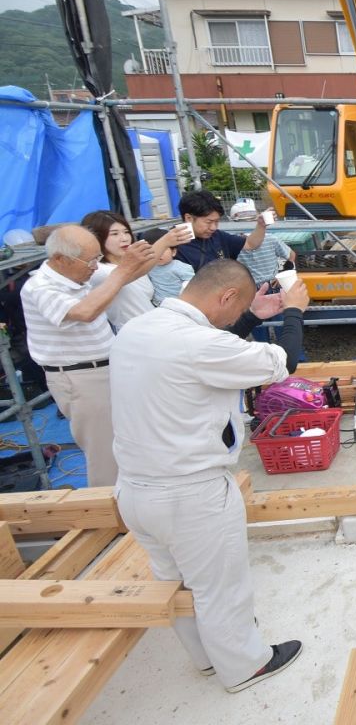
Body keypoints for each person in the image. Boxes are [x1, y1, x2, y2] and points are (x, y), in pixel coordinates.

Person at [110, 259, 310, 693]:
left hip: (135, 490)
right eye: (234, 309)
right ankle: (244, 666)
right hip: (190, 493)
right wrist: (294, 310)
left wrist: (253, 316)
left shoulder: (140, 328)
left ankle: (205, 659)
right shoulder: (198, 345)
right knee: (220, 586)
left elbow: (207, 348)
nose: (231, 319)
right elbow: (284, 362)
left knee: (174, 581)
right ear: (225, 297)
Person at [20, 225, 156, 486]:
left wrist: (145, 255)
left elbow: (123, 276)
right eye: (91, 260)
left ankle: (131, 506)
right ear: (61, 259)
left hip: (104, 368)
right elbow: (85, 311)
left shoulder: (77, 277)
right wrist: (124, 269)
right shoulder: (40, 287)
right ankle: (112, 518)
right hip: (80, 377)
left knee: (127, 442)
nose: (96, 266)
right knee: (105, 453)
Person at [81, 211, 192, 331]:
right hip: (134, 334)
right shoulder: (98, 270)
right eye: (114, 234)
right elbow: (133, 272)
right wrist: (165, 242)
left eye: (126, 232)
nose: (124, 238)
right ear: (97, 238)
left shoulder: (132, 265)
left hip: (158, 327)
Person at [175, 191, 267, 271]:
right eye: (209, 222)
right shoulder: (173, 245)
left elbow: (250, 244)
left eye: (217, 221)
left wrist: (261, 225)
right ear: (189, 218)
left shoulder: (218, 236)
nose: (213, 227)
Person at [145, 227, 196, 305]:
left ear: (174, 252)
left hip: (178, 304)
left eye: (164, 249)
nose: (159, 254)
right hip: (157, 304)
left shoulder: (181, 267)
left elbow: (193, 284)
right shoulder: (148, 268)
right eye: (154, 249)